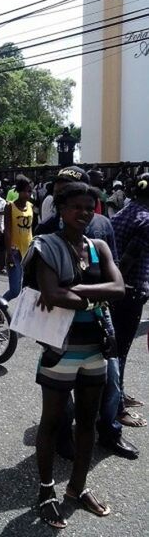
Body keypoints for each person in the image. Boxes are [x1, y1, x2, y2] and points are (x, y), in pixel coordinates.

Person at [23, 182, 124, 528]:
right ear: (61, 210)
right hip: (60, 350)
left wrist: (77, 292)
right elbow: (51, 293)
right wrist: (96, 296)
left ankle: (77, 488)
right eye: (76, 207)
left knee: (88, 421)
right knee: (51, 423)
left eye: (90, 207)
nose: (84, 212)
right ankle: (46, 491)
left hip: (95, 350)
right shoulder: (46, 247)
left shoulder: (98, 247)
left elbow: (119, 289)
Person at [36, 166, 138, 460]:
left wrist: (84, 294)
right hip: (58, 322)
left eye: (68, 186)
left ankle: (110, 432)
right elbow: (42, 290)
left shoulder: (103, 226)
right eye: (59, 189)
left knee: (111, 376)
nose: (61, 192)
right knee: (62, 387)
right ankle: (65, 437)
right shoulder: (46, 231)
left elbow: (116, 279)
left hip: (100, 318)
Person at [110, 173, 149, 428]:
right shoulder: (146, 220)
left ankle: (119, 393)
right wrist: (118, 288)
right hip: (129, 290)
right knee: (119, 352)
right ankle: (116, 407)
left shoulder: (124, 212)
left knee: (116, 350)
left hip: (118, 290)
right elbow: (128, 260)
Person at [3, 174, 33, 301]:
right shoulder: (10, 206)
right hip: (15, 252)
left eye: (30, 191)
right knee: (15, 290)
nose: (29, 194)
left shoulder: (31, 206)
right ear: (19, 191)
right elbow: (8, 230)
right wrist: (9, 253)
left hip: (29, 251)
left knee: (29, 288)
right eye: (26, 191)